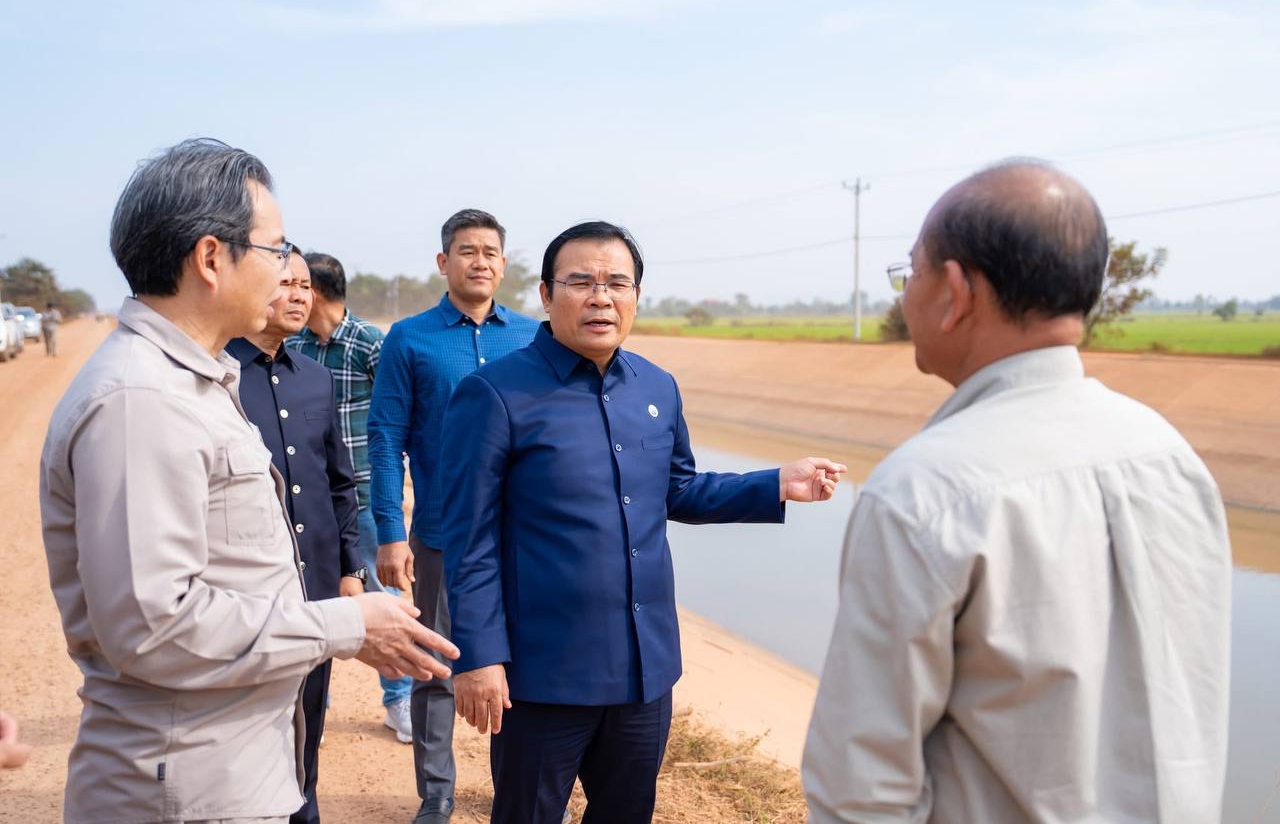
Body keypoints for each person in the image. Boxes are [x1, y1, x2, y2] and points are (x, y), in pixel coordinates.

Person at [39, 138, 458, 823]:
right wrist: (342, 624)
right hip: (185, 788)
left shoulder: (197, 381)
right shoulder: (144, 400)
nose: (289, 273)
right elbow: (153, 627)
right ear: (211, 258)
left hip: (227, 771)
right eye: (275, 248)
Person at [802, 160, 1232, 823]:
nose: (904, 295)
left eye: (910, 271)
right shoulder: (1171, 458)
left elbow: (861, 792)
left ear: (956, 291)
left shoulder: (923, 492)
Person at [439, 221, 847, 824]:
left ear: (636, 295)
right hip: (542, 673)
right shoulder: (495, 395)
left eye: (616, 283)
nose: (600, 297)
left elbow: (678, 490)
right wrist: (478, 656)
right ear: (547, 295)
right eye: (581, 282)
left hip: (643, 671)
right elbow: (468, 539)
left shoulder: (657, 386)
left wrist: (775, 484)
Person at [369, 208, 540, 823]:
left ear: (504, 264)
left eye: (491, 252)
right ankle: (437, 792)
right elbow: (385, 436)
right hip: (442, 535)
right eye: (468, 251)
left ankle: (513, 787)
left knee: (522, 665)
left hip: (524, 535)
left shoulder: (533, 336)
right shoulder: (409, 338)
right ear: (444, 262)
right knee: (437, 666)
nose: (480, 262)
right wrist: (391, 533)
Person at [228, 249, 367, 823]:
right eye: (285, 282)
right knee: (250, 722)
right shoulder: (217, 376)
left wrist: (351, 568)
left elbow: (339, 483)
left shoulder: (316, 378)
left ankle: (304, 809)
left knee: (310, 713)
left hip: (316, 585)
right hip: (249, 593)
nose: (299, 296)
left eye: (305, 286)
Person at [289, 251, 414, 741]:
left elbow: (395, 421)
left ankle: (399, 699)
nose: (291, 295)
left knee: (381, 594)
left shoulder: (369, 343)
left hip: (361, 494)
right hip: (306, 496)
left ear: (316, 292)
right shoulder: (294, 344)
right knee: (307, 597)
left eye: (299, 286)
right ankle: (311, 705)